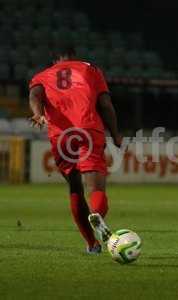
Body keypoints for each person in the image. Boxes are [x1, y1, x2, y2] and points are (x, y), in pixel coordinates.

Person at [29, 44, 121, 254]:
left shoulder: (42, 75)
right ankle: (97, 214)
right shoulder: (90, 69)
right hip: (87, 129)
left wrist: (37, 113)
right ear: (74, 56)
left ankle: (92, 244)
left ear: (54, 61)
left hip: (61, 136)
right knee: (96, 188)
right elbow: (105, 105)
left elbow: (35, 96)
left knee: (75, 187)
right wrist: (115, 133)